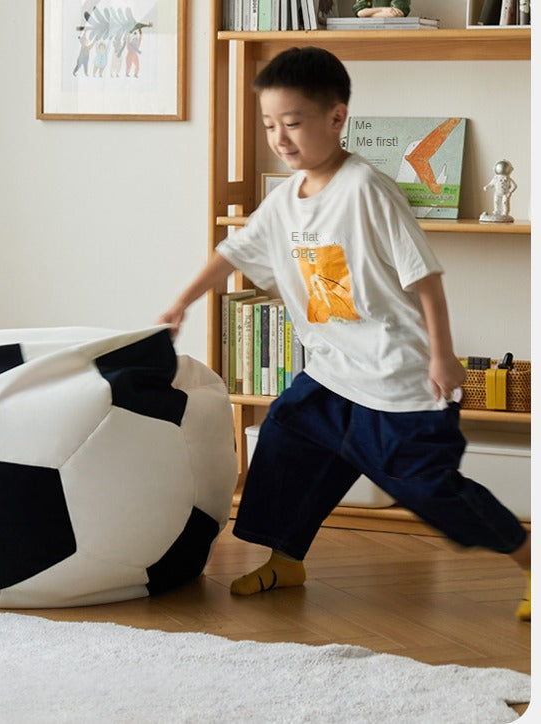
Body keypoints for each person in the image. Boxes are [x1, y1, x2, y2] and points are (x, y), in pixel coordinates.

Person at [157, 46, 530, 621]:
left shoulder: (367, 190)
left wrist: (443, 356)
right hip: (333, 373)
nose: (281, 138)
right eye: (270, 125)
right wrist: (181, 301)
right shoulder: (285, 200)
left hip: (397, 379)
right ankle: (288, 559)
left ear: (336, 118)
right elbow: (233, 249)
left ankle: (530, 557)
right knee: (287, 443)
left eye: (294, 123)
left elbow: (425, 277)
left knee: (430, 487)